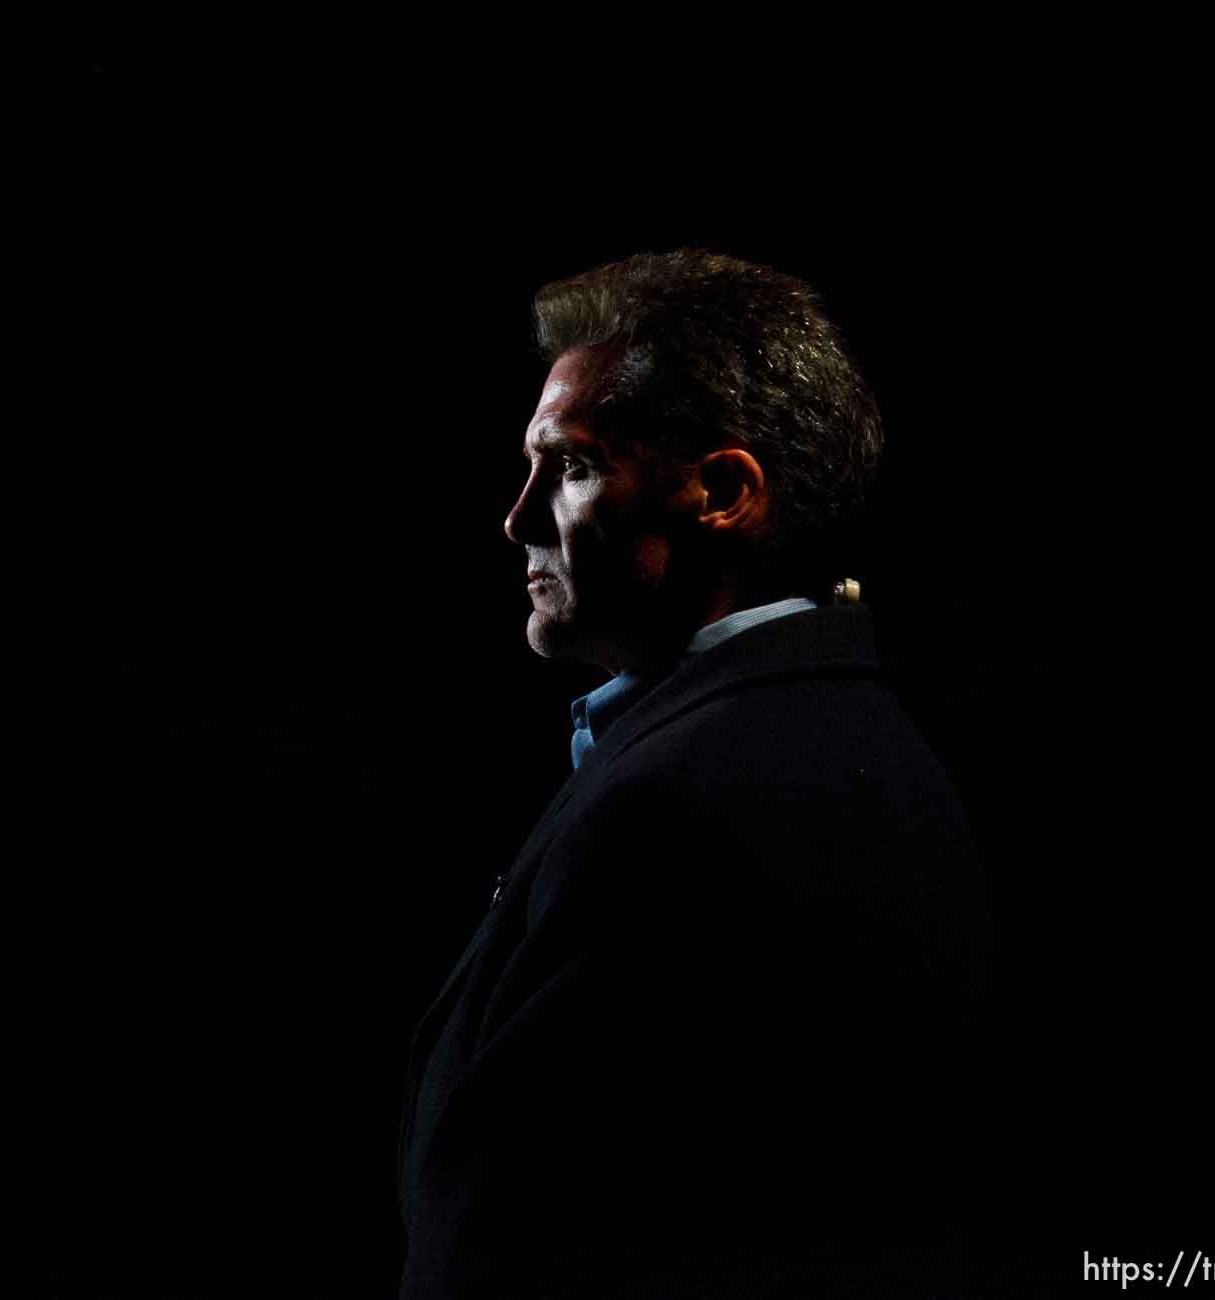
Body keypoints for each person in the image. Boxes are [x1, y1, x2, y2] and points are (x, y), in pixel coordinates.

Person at [397, 250, 990, 1298]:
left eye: (571, 466)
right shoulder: (827, 733)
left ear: (722, 491)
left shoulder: (690, 804)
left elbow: (524, 1230)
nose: (517, 515)